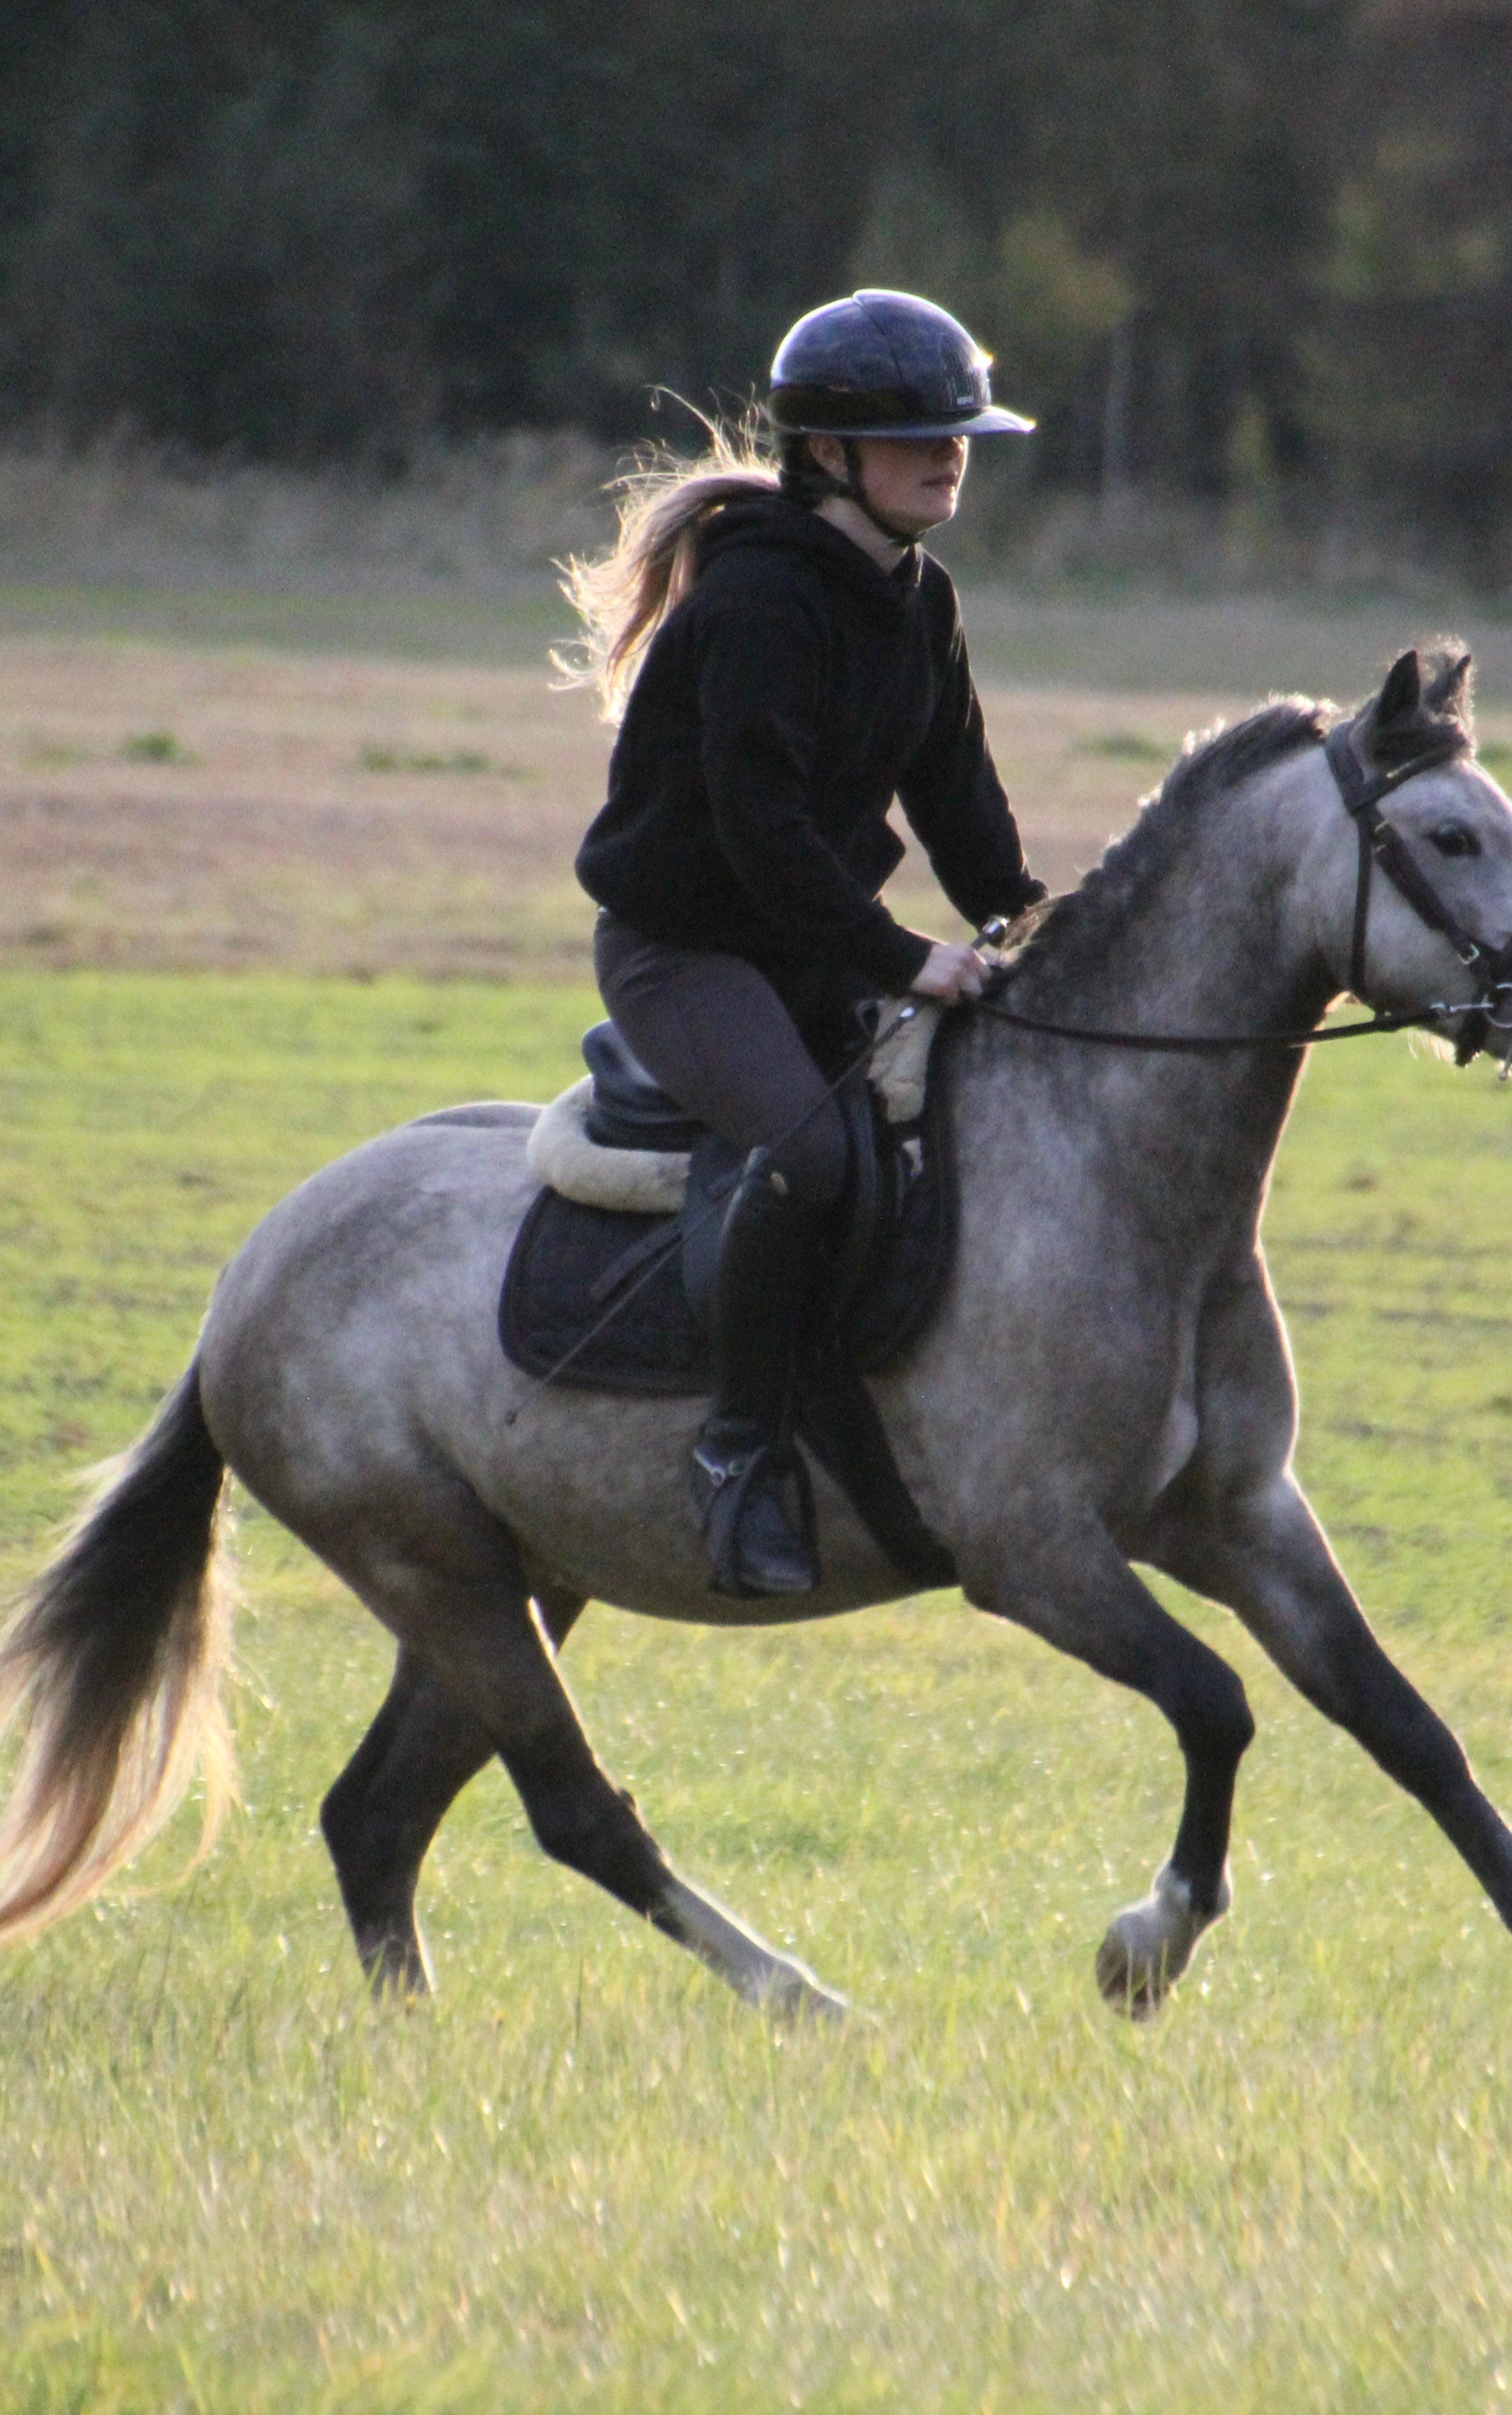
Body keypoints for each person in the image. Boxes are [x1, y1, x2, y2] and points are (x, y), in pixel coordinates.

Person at [560, 289, 1046, 1599]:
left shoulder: (921, 597)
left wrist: (1029, 918)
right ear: (828, 455)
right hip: (690, 951)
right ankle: (735, 1451)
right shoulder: (765, 600)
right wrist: (907, 958)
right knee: (813, 1155)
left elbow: (957, 796)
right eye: (914, 436)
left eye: (959, 434)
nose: (950, 455)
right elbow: (761, 834)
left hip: (807, 948)